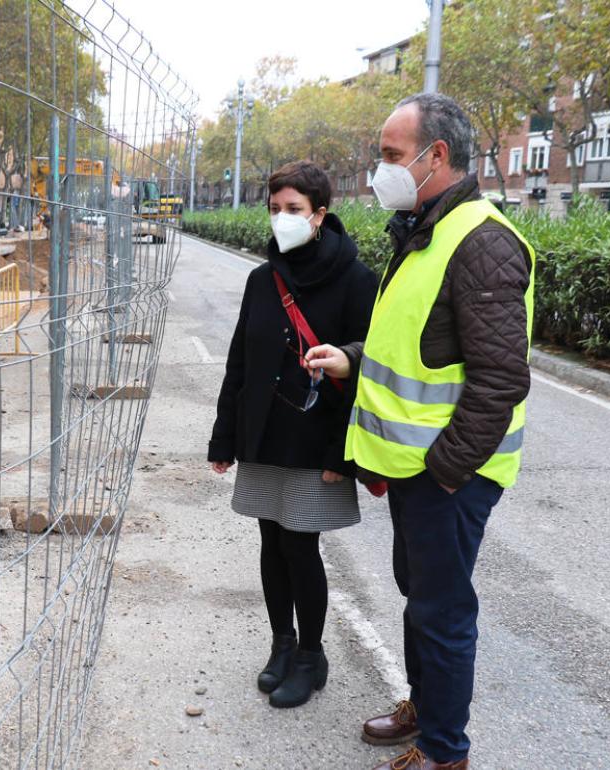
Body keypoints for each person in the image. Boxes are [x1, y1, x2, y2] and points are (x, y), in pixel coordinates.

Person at [304, 93, 535, 770]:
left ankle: (443, 753)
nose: (381, 172)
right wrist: (353, 358)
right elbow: (415, 343)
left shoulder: (481, 241)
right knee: (422, 600)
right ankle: (426, 710)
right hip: (416, 470)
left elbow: (499, 381)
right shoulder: (422, 230)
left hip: (449, 473)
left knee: (441, 612)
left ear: (436, 157)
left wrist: (442, 471)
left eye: (390, 156)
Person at [208, 161, 379, 710]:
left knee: (300, 547)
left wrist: (342, 456)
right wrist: (224, 438)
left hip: (317, 441)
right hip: (263, 434)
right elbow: (240, 360)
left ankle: (310, 655)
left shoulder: (358, 280)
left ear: (321, 214)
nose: (282, 219)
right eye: (275, 209)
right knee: (270, 543)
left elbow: (368, 372)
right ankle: (281, 645)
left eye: (294, 209)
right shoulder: (264, 278)